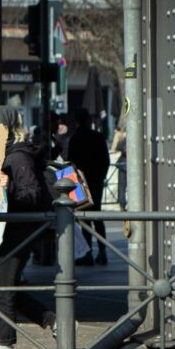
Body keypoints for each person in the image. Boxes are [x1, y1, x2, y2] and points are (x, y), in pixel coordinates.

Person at [0, 106, 56, 349]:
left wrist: (9, 185)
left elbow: (31, 194)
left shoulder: (17, 157)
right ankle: (53, 320)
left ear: (4, 128)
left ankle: (6, 345)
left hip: (17, 232)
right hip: (8, 230)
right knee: (8, 286)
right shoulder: (3, 153)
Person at [68, 108, 110, 265]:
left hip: (80, 182)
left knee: (84, 219)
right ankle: (102, 251)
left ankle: (88, 253)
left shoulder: (75, 139)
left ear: (77, 121)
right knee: (98, 217)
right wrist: (101, 177)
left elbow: (70, 163)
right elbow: (106, 160)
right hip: (96, 181)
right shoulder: (98, 137)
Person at [110, 124, 127, 210]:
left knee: (122, 186)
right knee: (122, 186)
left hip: (124, 165)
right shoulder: (124, 139)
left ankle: (122, 204)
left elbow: (117, 147)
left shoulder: (124, 139)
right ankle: (122, 203)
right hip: (124, 165)